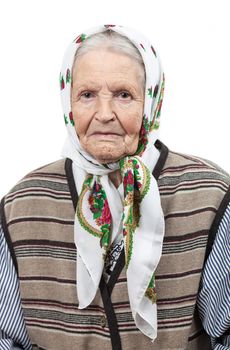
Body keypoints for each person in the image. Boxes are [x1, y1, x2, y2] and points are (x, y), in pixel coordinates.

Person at [0, 23, 230, 350]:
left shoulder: (209, 197)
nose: (104, 113)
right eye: (87, 95)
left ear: (150, 101)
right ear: (69, 103)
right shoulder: (22, 204)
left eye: (123, 95)